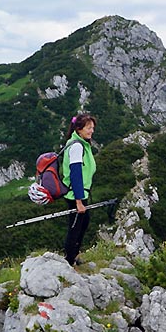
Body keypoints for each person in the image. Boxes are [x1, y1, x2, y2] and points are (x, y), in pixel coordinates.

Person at [61, 114, 97, 266]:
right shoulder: (77, 146)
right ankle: (69, 260)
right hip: (76, 194)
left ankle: (74, 255)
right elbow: (75, 174)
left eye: (92, 128)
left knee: (83, 223)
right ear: (79, 129)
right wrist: (78, 201)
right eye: (88, 128)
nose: (91, 131)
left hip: (81, 193)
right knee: (76, 227)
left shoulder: (82, 143)